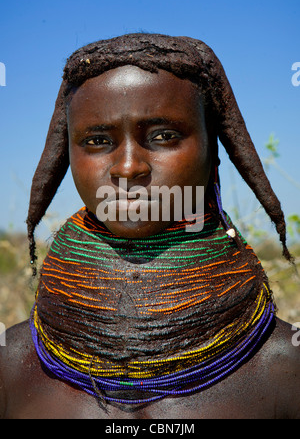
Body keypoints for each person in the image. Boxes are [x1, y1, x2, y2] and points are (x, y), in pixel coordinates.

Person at [0, 33, 299, 419]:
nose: (128, 167)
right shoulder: (14, 362)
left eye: (163, 136)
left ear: (213, 149)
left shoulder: (283, 365)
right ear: (69, 154)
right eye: (96, 139)